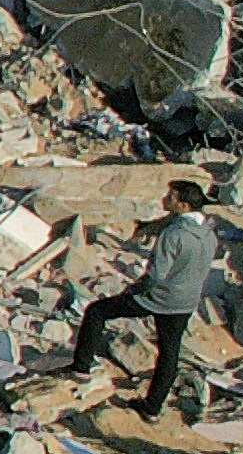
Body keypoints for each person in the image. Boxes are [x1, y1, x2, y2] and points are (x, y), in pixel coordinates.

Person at [74, 178, 232, 419]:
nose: (164, 199)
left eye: (170, 196)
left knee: (97, 311)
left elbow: (156, 275)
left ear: (183, 205)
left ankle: (81, 368)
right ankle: (152, 408)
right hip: (186, 301)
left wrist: (134, 290)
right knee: (169, 354)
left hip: (158, 297)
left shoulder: (174, 233)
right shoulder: (209, 235)